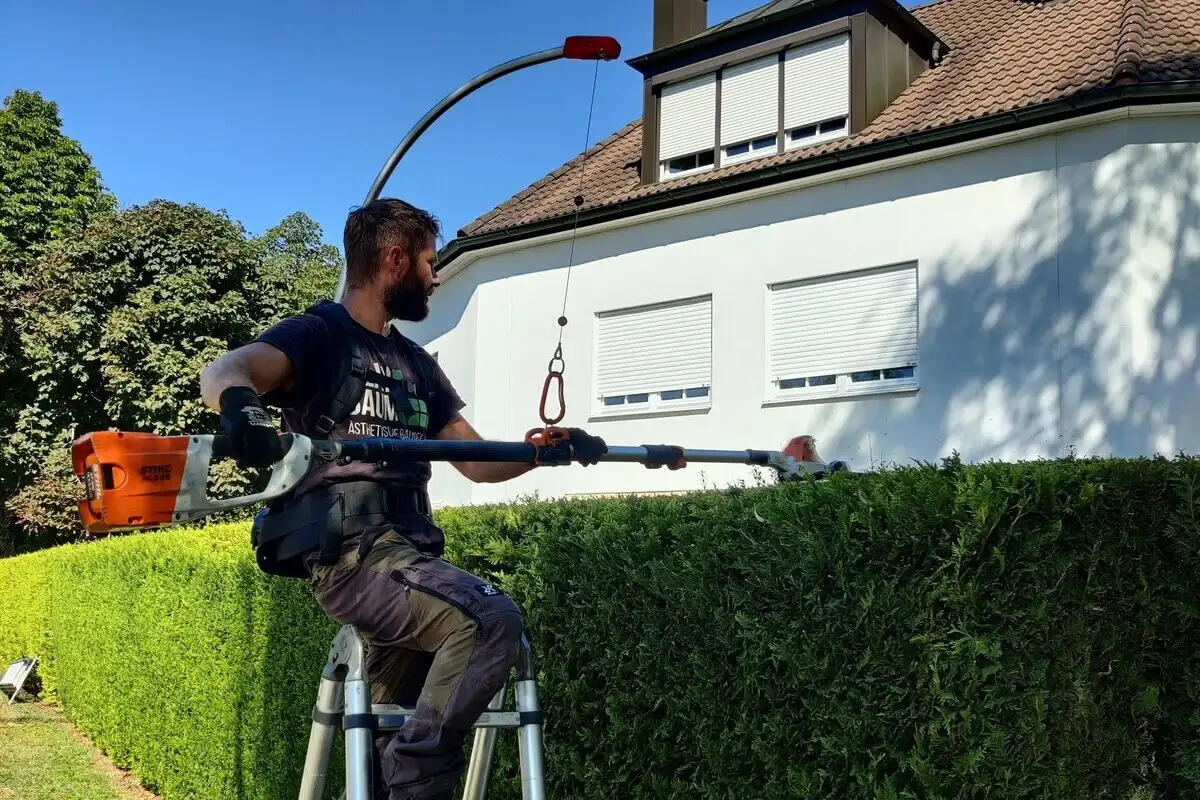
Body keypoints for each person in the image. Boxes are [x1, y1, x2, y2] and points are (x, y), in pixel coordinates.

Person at [198, 198, 607, 800]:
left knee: (385, 743)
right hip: (353, 557)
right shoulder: (319, 336)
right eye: (429, 262)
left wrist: (542, 450)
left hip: (413, 559)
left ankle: (399, 776)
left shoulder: (418, 366)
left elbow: (474, 459)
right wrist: (240, 406)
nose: (436, 277)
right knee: (489, 618)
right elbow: (226, 369)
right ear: (394, 261)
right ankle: (421, 777)